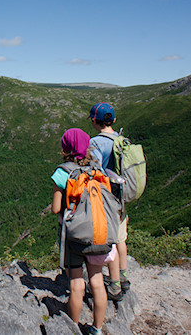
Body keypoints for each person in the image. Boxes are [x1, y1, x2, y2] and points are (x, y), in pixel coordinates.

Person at [51, 128, 110, 335]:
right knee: (97, 280)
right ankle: (97, 328)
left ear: (65, 148)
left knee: (76, 283)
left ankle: (73, 328)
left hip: (74, 237)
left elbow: (56, 208)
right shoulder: (98, 170)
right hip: (100, 234)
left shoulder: (63, 172)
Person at [88, 102, 129, 301]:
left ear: (95, 121)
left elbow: (94, 171)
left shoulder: (95, 143)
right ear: (113, 120)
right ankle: (123, 277)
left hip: (105, 199)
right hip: (122, 197)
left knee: (110, 240)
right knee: (121, 238)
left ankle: (114, 286)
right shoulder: (121, 140)